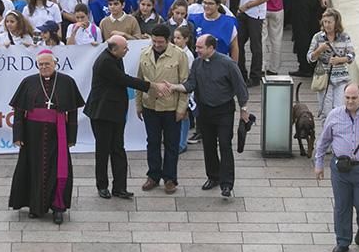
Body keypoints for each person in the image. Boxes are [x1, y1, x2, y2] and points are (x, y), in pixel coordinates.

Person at [86, 35, 168, 199]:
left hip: (115, 111)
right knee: (103, 151)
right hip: (102, 113)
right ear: (114, 49)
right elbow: (124, 79)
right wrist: (151, 86)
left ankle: (119, 187)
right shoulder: (106, 62)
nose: (127, 50)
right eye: (125, 48)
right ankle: (102, 185)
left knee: (118, 149)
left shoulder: (115, 56)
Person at [168, 34, 250, 198]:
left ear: (211, 48)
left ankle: (227, 184)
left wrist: (244, 109)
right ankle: (213, 176)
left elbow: (240, 86)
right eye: (196, 47)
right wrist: (175, 87)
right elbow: (191, 84)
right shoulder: (197, 63)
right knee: (209, 145)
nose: (196, 50)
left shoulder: (228, 64)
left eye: (200, 47)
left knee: (225, 145)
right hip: (205, 111)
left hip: (224, 111)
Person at [8, 50, 86, 224]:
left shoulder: (67, 82)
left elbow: (72, 112)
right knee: (33, 169)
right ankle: (35, 207)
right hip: (32, 134)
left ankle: (58, 207)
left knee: (59, 170)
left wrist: (72, 136)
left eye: (47, 64)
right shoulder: (28, 82)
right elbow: (19, 111)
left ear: (55, 64)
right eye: (41, 64)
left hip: (58, 134)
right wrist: (18, 135)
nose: (44, 67)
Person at [314, 84, 359, 252]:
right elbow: (323, 141)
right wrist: (319, 163)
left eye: (354, 98)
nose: (350, 101)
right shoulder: (334, 116)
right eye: (347, 97)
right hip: (340, 170)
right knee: (342, 206)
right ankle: (343, 241)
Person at [135, 24, 189, 194]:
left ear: (168, 40)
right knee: (152, 142)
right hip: (150, 106)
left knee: (172, 145)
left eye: (160, 42)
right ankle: (153, 175)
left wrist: (182, 108)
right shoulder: (144, 53)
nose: (157, 45)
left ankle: (170, 178)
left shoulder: (179, 55)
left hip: (171, 107)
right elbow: (140, 82)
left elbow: (185, 84)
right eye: (154, 41)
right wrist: (139, 105)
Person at [307, 9, 355, 119]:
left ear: (336, 23)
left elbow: (352, 55)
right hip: (324, 78)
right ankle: (327, 134)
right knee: (326, 111)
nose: (327, 25)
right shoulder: (318, 37)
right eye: (325, 22)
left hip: (340, 77)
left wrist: (340, 60)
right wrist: (319, 50)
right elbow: (309, 58)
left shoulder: (344, 37)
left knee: (340, 109)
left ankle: (337, 134)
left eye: (330, 22)